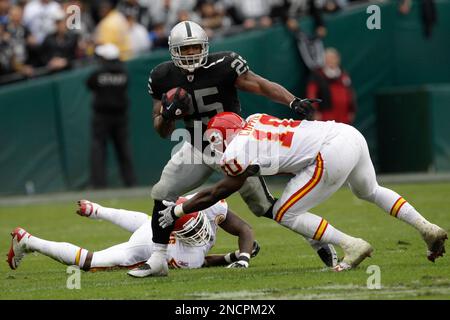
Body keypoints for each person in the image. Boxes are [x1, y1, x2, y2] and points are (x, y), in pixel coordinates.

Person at [131, 19, 331, 277]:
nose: (191, 54)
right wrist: (168, 116)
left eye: (195, 47)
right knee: (162, 192)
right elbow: (161, 131)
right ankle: (158, 259)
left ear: (205, 46)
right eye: (185, 49)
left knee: (264, 207)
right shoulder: (162, 76)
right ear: (173, 50)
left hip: (232, 148)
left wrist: (293, 101)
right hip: (196, 147)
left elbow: (260, 85)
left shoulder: (223, 65)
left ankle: (315, 237)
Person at [158, 112, 448, 272]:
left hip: (328, 151)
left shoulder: (234, 150)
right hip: (347, 134)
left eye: (215, 139)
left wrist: (179, 209)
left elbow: (220, 191)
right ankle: (426, 227)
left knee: (285, 212)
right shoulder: (255, 119)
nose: (215, 146)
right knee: (370, 190)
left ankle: (352, 245)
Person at [7, 196, 260, 272]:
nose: (200, 234)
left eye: (197, 226)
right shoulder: (182, 252)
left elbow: (245, 229)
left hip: (153, 227)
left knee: (147, 221)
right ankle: (28, 240)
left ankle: (98, 209)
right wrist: (233, 256)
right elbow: (199, 260)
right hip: (148, 243)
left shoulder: (208, 203)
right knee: (90, 263)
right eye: (191, 231)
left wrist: (238, 256)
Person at [86, 43, 136, 189]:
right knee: (123, 149)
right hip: (120, 116)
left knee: (98, 149)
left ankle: (99, 184)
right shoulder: (124, 73)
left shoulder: (98, 74)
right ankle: (130, 182)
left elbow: (89, 83)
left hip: (102, 116)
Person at [306, 48, 357, 125]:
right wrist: (314, 112)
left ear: (338, 59)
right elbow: (311, 94)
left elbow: (350, 94)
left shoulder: (344, 75)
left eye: (332, 58)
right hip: (325, 116)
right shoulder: (317, 75)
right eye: (327, 58)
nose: (330, 60)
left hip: (344, 116)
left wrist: (352, 110)